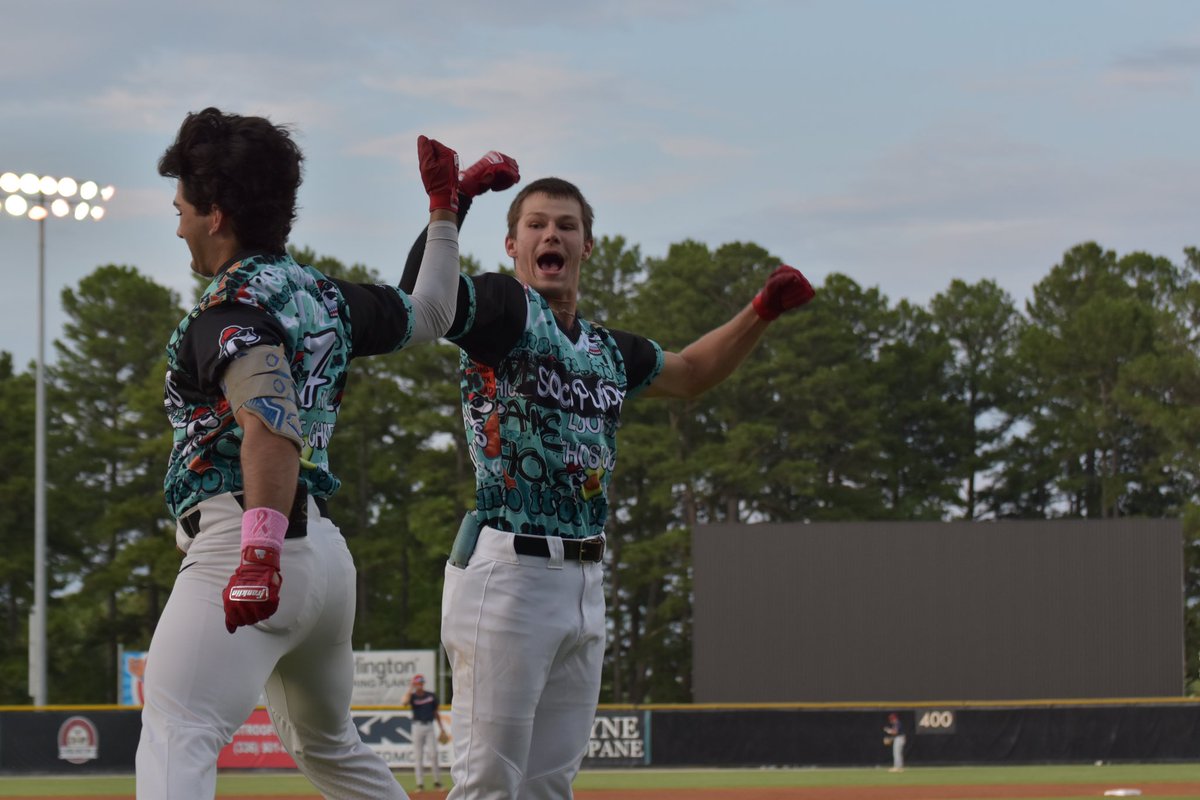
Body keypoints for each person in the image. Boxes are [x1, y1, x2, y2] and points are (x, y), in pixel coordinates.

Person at [403, 176, 815, 799]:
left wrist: (761, 312)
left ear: (587, 246)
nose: (552, 234)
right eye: (536, 224)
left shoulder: (609, 352)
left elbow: (692, 373)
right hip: (510, 571)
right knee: (488, 784)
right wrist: (450, 207)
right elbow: (423, 296)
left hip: (586, 579)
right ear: (512, 245)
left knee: (549, 785)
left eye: (566, 225)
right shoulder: (504, 312)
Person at [135, 106, 470, 800]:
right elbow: (433, 312)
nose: (179, 225)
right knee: (330, 746)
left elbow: (271, 422)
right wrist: (444, 212)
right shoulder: (327, 298)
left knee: (179, 731)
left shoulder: (228, 311)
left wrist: (258, 556)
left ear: (216, 214)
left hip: (247, 540)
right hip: (323, 561)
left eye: (182, 209)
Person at [402, 674, 448, 790]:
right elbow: (404, 702)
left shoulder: (430, 696)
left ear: (423, 683)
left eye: (421, 683)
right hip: (417, 727)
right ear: (414, 684)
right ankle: (420, 784)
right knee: (418, 756)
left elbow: (436, 712)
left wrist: (441, 728)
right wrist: (410, 688)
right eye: (417, 683)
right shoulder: (412, 696)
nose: (420, 685)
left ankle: (437, 782)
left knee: (434, 754)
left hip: (429, 726)